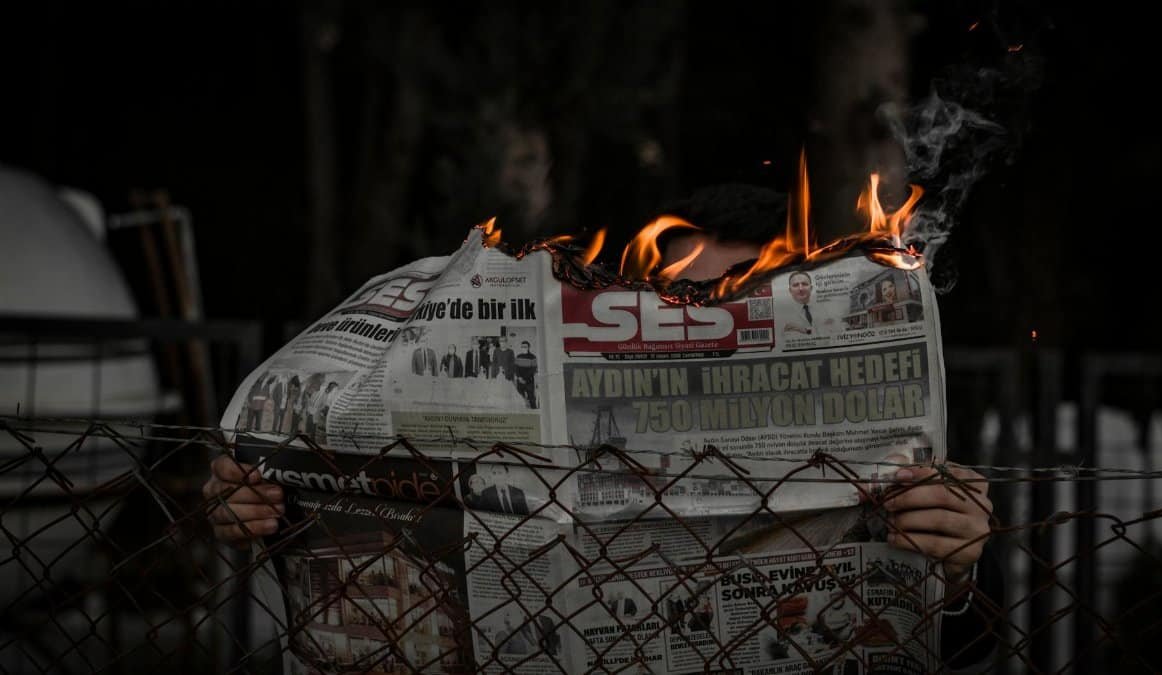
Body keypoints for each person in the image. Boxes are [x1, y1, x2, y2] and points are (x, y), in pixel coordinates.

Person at [206, 183, 998, 668]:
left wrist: (954, 574)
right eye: (694, 303)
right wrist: (270, 510)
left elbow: (966, 650)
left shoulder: (894, 466)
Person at [781, 271, 831, 336]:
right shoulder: (783, 314)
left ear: (811, 288)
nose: (801, 289)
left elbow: (832, 331)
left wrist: (804, 330)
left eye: (804, 284)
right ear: (790, 290)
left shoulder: (823, 309)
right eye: (796, 285)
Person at [513, 341, 537, 408]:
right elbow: (515, 368)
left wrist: (524, 378)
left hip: (529, 381)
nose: (523, 348)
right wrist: (519, 377)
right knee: (520, 398)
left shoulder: (533, 357)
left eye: (525, 346)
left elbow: (533, 369)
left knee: (531, 398)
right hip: (520, 381)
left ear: (528, 347)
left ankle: (534, 412)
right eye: (522, 346)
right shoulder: (518, 356)